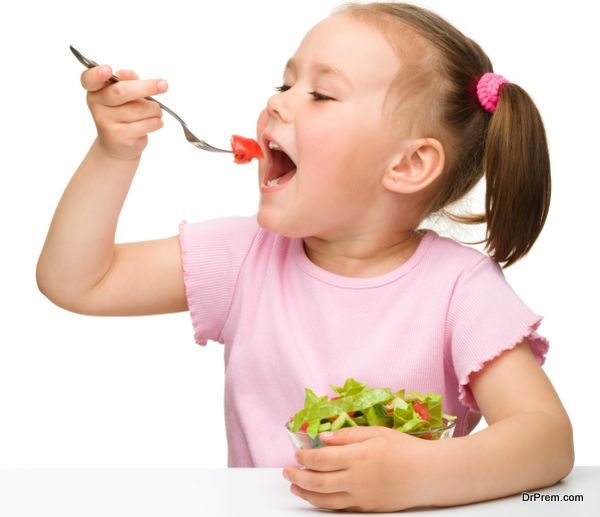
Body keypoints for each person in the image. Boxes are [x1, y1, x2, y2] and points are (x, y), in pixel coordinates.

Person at [36, 1, 574, 512]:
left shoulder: (461, 287)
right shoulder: (245, 257)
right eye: (285, 82)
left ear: (409, 165)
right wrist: (114, 153)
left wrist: (419, 474)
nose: (278, 101)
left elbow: (546, 439)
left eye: (321, 95)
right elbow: (79, 281)